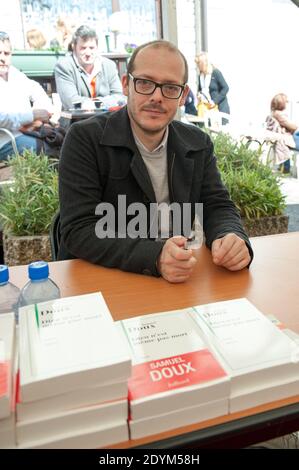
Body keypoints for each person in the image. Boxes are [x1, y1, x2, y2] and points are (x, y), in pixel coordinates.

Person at [58, 39, 252, 283]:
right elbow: (79, 229)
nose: (157, 97)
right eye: (145, 83)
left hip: (179, 280)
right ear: (126, 84)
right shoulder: (85, 139)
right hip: (105, 280)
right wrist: (156, 256)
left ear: (182, 96)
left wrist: (230, 235)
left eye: (170, 88)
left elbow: (217, 205)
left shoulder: (197, 142)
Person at [0, 31, 52, 161]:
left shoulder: (13, 73)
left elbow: (38, 92)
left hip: (26, 132)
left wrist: (41, 113)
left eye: (6, 53)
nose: (2, 58)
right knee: (48, 150)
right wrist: (32, 116)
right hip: (5, 139)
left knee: (64, 139)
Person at [54, 25, 124, 110]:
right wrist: (106, 102)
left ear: (97, 47)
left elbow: (120, 97)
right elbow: (72, 103)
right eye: (83, 48)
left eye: (91, 48)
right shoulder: (64, 66)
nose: (88, 53)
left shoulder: (108, 65)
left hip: (106, 120)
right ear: (74, 47)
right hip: (77, 120)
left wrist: (95, 103)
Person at [266, 93, 299, 173]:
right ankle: (285, 168)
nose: (287, 104)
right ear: (281, 103)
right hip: (287, 139)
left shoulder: (274, 113)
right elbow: (292, 126)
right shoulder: (278, 114)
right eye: (286, 102)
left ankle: (285, 168)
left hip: (284, 138)